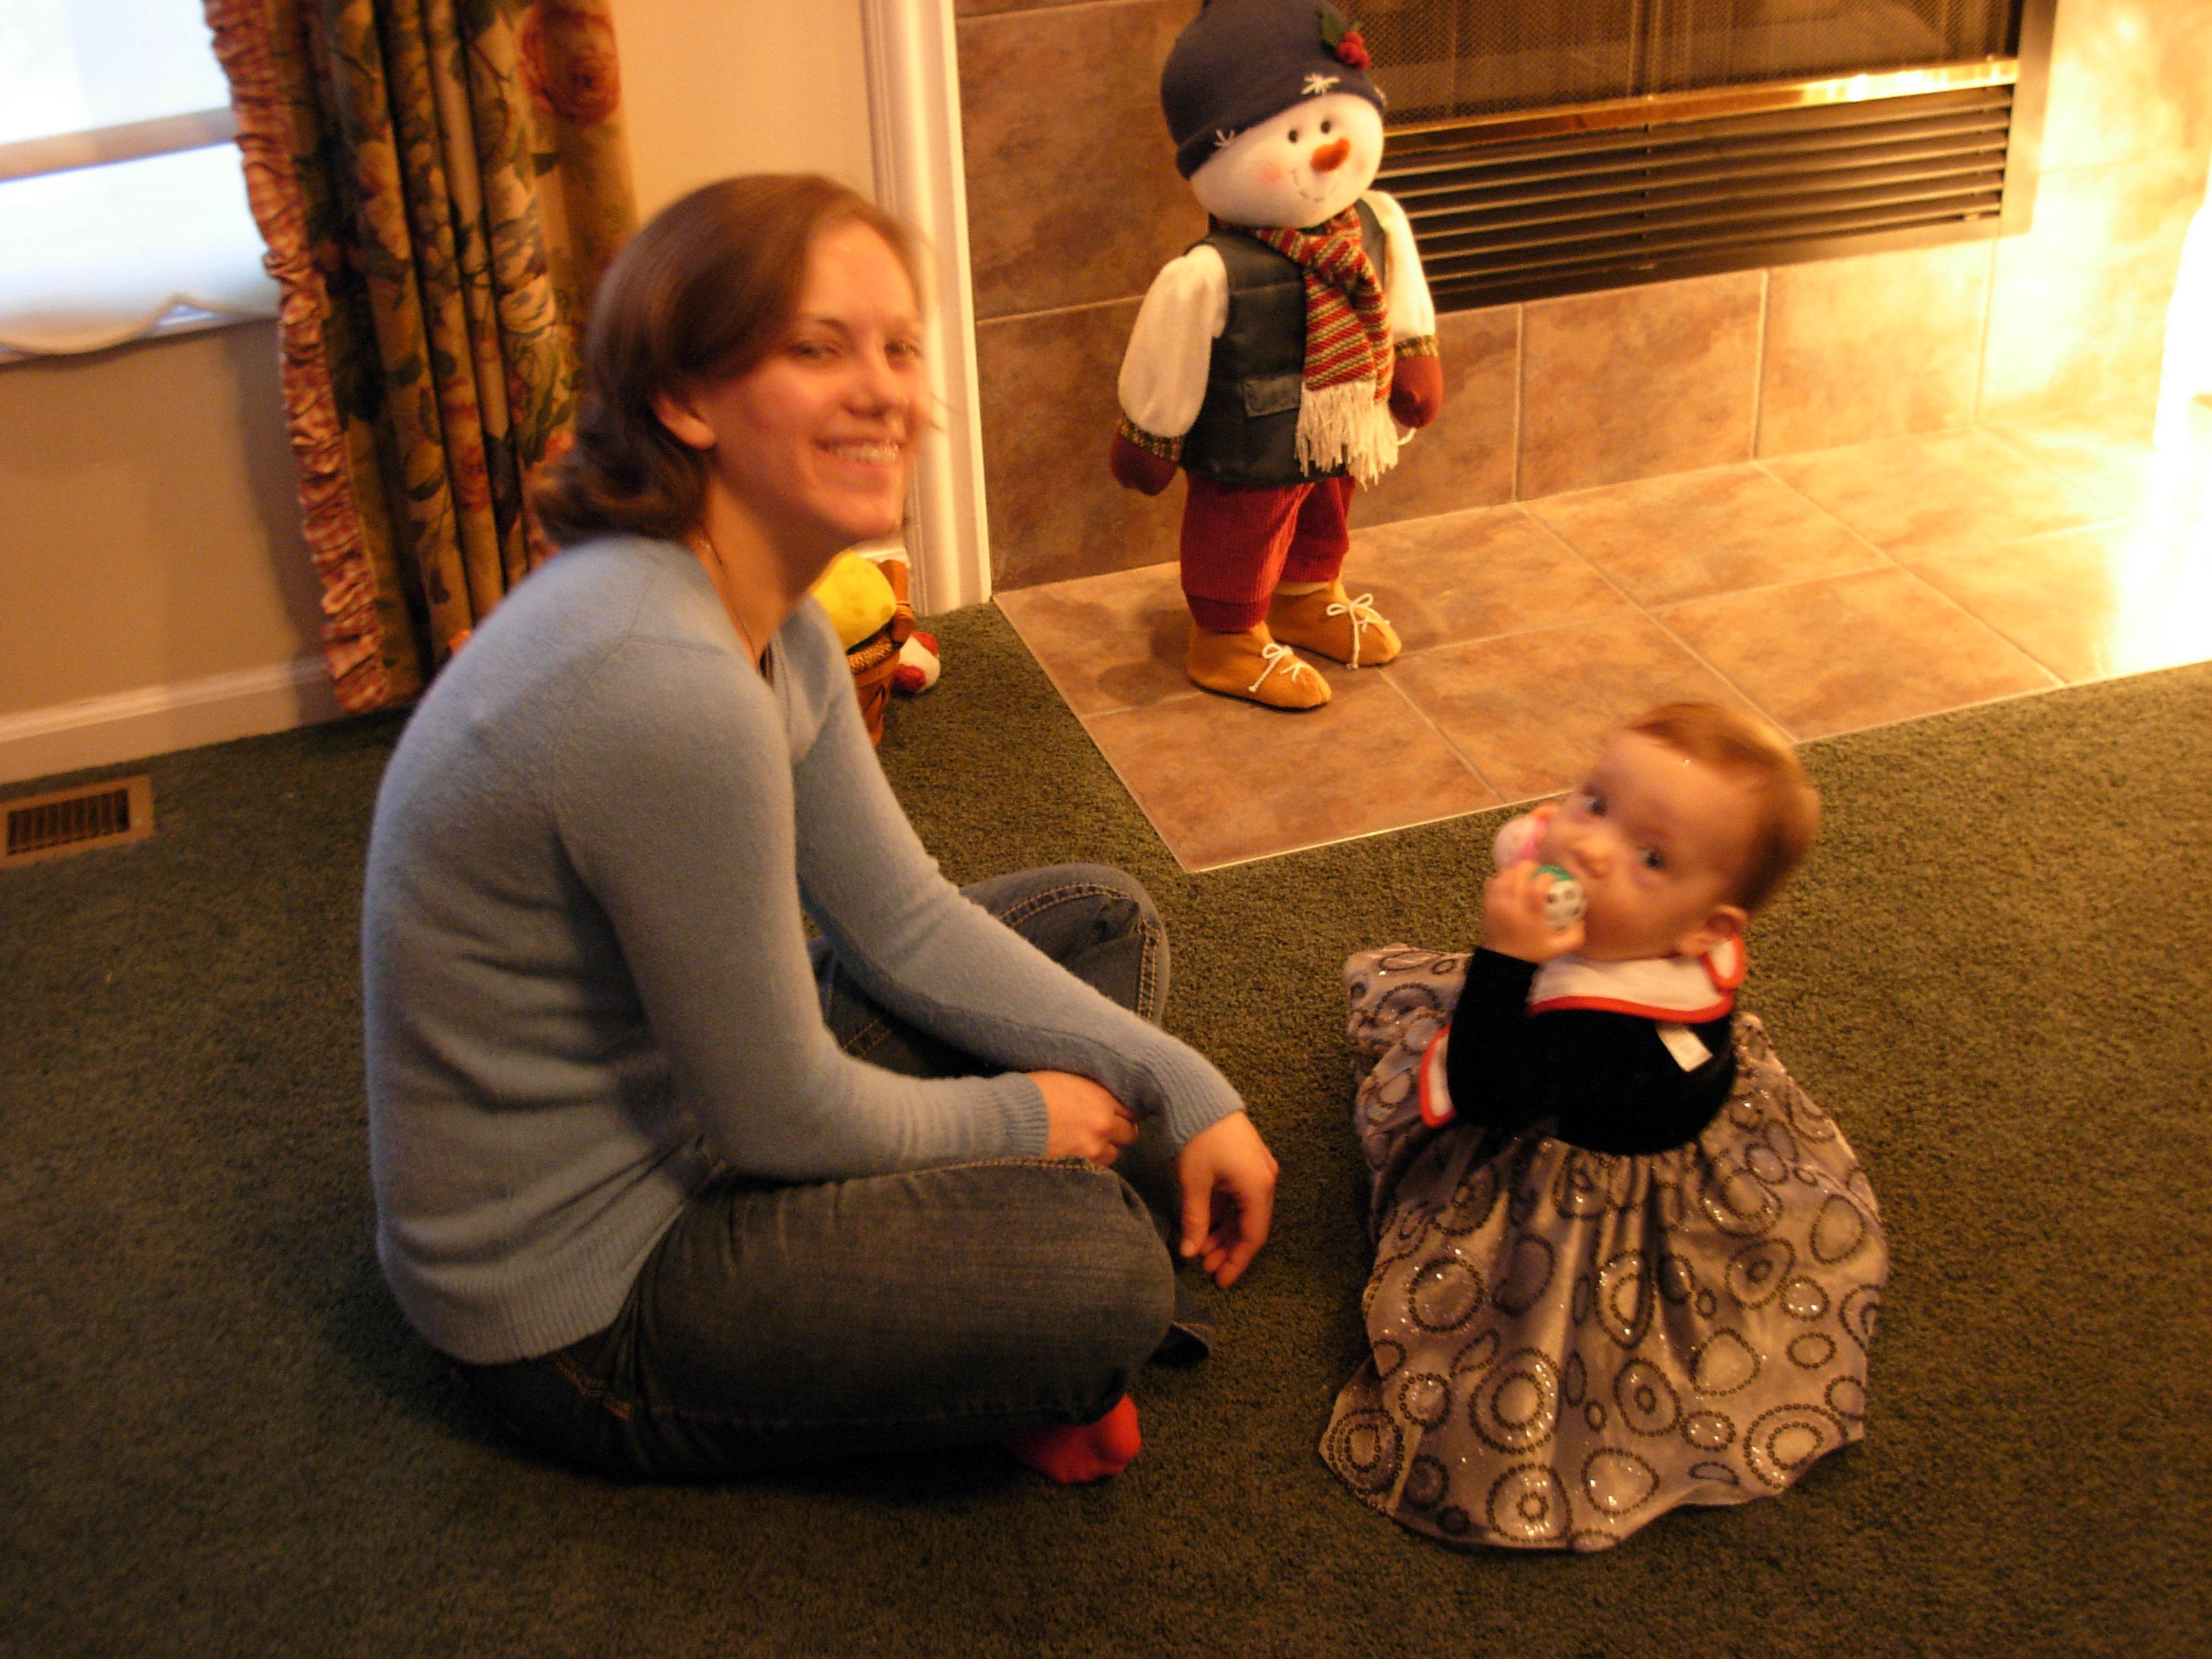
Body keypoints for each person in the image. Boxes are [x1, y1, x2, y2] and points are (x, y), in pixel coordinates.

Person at [361, 175, 1277, 1485]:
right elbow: (779, 1115)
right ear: (686, 398)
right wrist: (1022, 1120)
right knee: (1105, 1271)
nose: (884, 391)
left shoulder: (768, 610)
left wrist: (1181, 1085)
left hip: (698, 1101)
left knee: (1096, 920)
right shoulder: (660, 683)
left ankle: (947, 1272)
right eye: (816, 348)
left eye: (898, 347)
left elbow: (901, 919)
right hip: (584, 1299)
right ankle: (978, 1305)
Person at [1319, 703, 1886, 1550]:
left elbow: (1487, 1086)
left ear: (1709, 927)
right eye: (1595, 801)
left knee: (1499, 1315)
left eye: (1650, 856)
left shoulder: (1603, 1032)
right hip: (1639, 1091)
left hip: (1580, 1180)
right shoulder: (1664, 945)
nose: (1588, 846)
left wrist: (1507, 961)